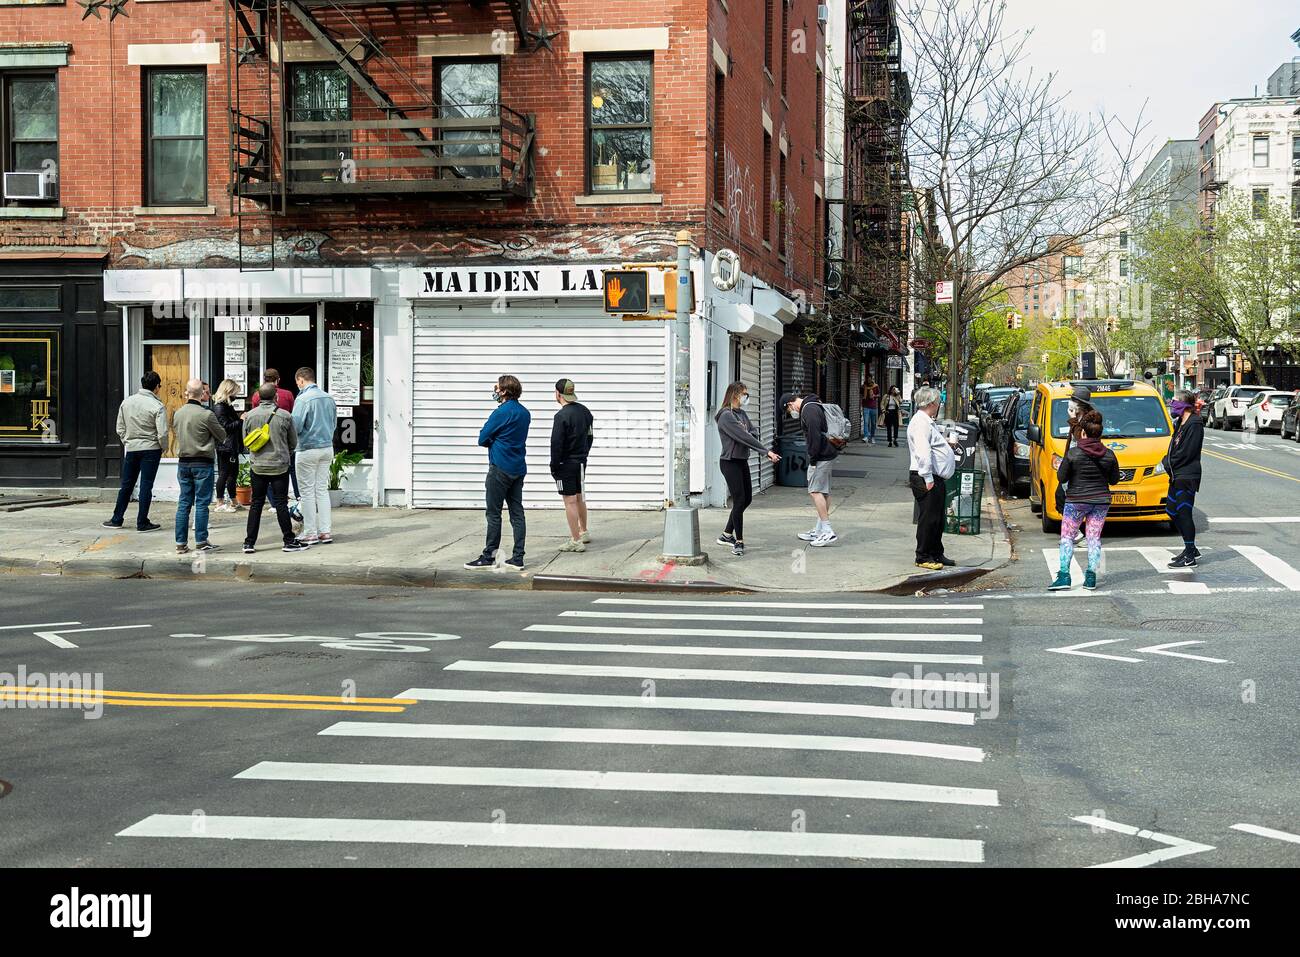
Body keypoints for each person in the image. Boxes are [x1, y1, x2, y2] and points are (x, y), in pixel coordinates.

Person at [1049, 407, 1120, 591]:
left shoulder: (1073, 453)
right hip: (1101, 501)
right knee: (1093, 539)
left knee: (1067, 538)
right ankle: (1090, 577)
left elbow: (1061, 478)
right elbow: (1114, 480)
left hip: (1076, 500)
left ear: (1083, 432)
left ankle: (1064, 576)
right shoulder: (1109, 455)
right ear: (1100, 433)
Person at [465, 374, 530, 570]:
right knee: (517, 513)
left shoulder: (501, 413)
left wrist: (494, 441)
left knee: (493, 514)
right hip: (518, 468)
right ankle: (518, 557)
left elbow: (482, 438)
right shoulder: (525, 413)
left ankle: (489, 556)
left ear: (504, 391)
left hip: (500, 468)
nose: (495, 391)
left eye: (497, 388)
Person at [715, 382, 782, 557]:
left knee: (747, 499)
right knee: (739, 500)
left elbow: (753, 432)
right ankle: (739, 541)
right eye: (744, 393)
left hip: (741, 460)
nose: (747, 397)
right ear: (736, 395)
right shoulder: (726, 416)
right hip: (730, 462)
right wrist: (766, 451)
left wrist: (748, 435)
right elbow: (744, 436)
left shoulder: (741, 414)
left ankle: (726, 534)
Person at [242, 382, 308, 554]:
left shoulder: (249, 416)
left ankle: (249, 543)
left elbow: (246, 440)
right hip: (279, 466)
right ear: (275, 397)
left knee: (256, 503)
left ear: (258, 398)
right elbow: (293, 442)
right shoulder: (285, 416)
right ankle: (288, 540)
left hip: (257, 466)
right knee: (281, 503)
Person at [104, 371, 169, 532]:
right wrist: (164, 446)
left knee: (127, 484)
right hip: (151, 449)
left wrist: (128, 441)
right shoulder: (157, 406)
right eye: (159, 386)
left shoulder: (127, 402)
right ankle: (142, 522)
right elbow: (162, 433)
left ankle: (117, 518)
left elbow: (120, 427)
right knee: (146, 486)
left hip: (132, 448)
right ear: (156, 387)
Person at [171, 378, 226, 554]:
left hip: (183, 462)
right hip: (202, 462)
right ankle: (201, 540)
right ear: (202, 394)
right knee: (202, 503)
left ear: (187, 392)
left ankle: (180, 543)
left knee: (184, 503)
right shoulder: (206, 414)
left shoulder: (178, 413)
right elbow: (222, 434)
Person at [907, 386, 958, 570]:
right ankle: (923, 556)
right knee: (928, 518)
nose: (939, 405)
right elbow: (923, 453)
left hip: (934, 477)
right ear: (931, 403)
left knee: (937, 518)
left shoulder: (927, 422)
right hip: (925, 476)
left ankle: (936, 552)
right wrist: (928, 477)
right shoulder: (920, 423)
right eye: (938, 402)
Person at [779, 390, 839, 547]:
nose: (791, 413)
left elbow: (814, 436)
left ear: (790, 404)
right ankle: (819, 529)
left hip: (821, 456)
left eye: (788, 410)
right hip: (828, 452)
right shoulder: (813, 404)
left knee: (815, 491)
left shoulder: (808, 410)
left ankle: (827, 530)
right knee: (824, 491)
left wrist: (812, 459)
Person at [292, 367, 338, 546]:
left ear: (301, 380)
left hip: (307, 448)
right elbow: (334, 423)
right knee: (321, 490)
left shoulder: (302, 399)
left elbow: (295, 427)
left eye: (298, 383)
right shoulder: (328, 398)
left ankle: (310, 532)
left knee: (307, 492)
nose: (298, 386)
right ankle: (325, 531)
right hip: (327, 447)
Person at [550, 378, 595, 553]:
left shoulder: (561, 416)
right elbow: (590, 436)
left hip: (565, 463)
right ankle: (583, 531)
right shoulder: (585, 411)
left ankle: (575, 541)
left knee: (569, 501)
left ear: (558, 394)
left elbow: (556, 443)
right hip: (581, 462)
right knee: (580, 497)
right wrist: (584, 454)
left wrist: (554, 466)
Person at [1164, 388, 1204, 568]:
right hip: (1175, 474)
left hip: (1187, 475)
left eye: (1175, 401)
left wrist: (1169, 462)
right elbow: (1174, 447)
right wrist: (1167, 460)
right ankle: (1191, 547)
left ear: (1184, 404)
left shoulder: (1195, 424)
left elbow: (1188, 452)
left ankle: (1190, 555)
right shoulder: (1179, 422)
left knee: (1184, 512)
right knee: (1171, 510)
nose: (1172, 404)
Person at [263, 368, 301, 506]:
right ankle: (297, 496)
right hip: (283, 435)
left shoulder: (257, 395)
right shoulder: (287, 394)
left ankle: (273, 502)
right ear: (278, 379)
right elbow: (292, 414)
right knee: (291, 468)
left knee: (265, 470)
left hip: (264, 437)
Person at [211, 380, 243, 512]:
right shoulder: (220, 407)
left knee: (233, 474)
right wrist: (241, 420)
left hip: (230, 445)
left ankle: (233, 501)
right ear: (228, 391)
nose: (236, 395)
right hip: (226, 446)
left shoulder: (226, 406)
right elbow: (226, 427)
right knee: (224, 474)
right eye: (235, 392)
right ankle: (219, 501)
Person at [861, 374, 880, 445]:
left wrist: (874, 395)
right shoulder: (863, 386)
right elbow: (861, 394)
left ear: (872, 379)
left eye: (870, 378)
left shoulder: (876, 386)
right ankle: (866, 436)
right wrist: (864, 396)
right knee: (866, 422)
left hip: (873, 407)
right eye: (867, 378)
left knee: (873, 423)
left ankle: (872, 436)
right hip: (865, 406)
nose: (868, 380)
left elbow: (879, 394)